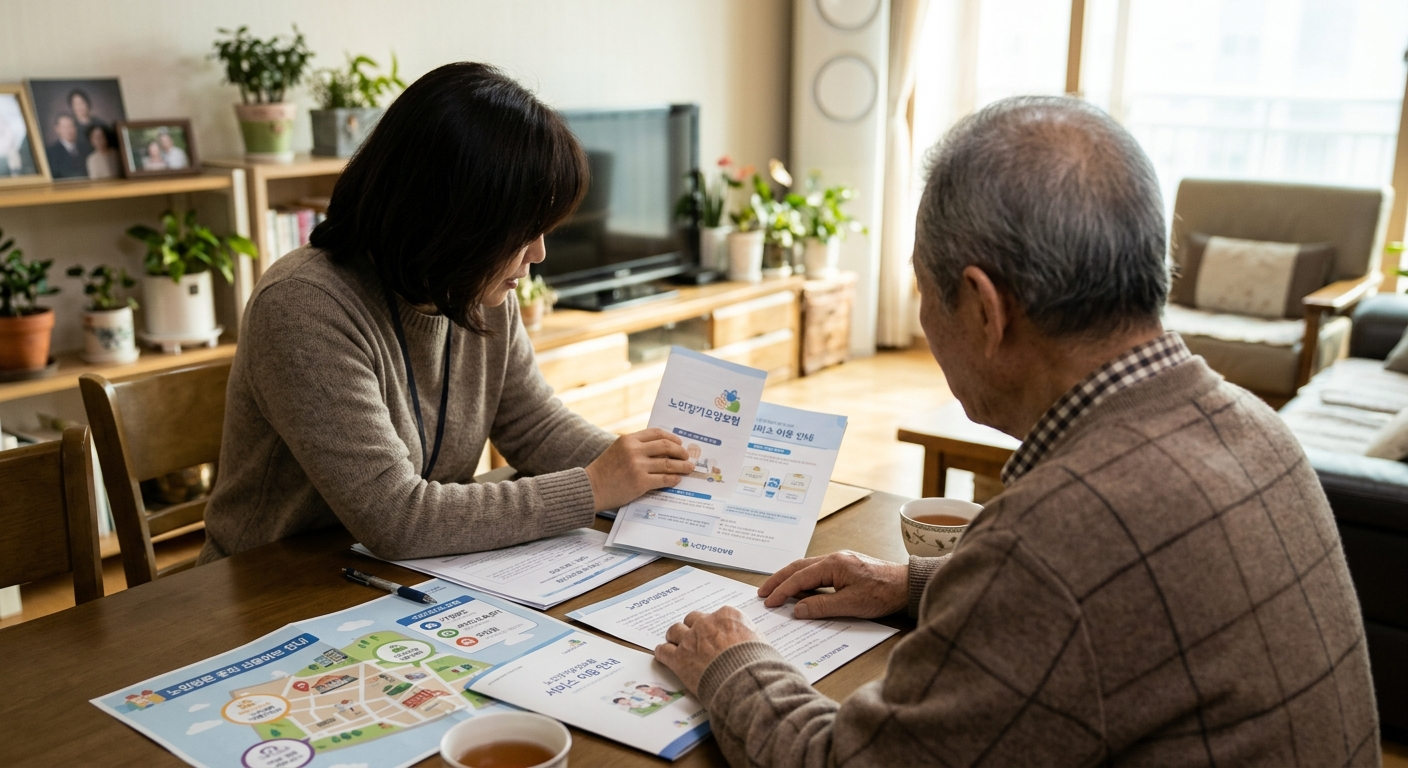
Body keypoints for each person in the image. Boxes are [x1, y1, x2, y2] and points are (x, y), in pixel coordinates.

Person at [654, 96, 1380, 766]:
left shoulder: (1051, 541)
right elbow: (1123, 602)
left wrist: (731, 660)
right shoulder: (1258, 426)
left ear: (983, 308)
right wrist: (912, 583)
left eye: (921, 290)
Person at [198, 63, 693, 564]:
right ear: (455, 221)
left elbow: (534, 425)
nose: (538, 253)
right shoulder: (303, 306)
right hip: (268, 587)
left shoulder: (473, 285)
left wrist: (653, 475)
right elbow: (399, 518)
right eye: (522, 231)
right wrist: (593, 487)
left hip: (406, 573)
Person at [68, 89, 108, 159]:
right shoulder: (71, 128)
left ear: (87, 103)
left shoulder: (99, 123)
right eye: (75, 104)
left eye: (81, 102)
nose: (79, 107)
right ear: (72, 107)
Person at [44, 113, 85, 178]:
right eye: (64, 127)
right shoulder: (50, 152)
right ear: (57, 129)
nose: (69, 130)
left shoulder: (85, 148)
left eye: (71, 126)